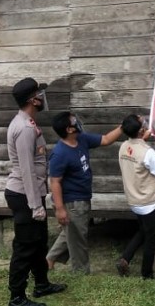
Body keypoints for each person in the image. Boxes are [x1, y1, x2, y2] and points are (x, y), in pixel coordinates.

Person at [4, 78, 66, 306]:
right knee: (25, 246)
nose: (43, 96)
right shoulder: (25, 128)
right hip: (24, 195)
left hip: (31, 194)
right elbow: (28, 170)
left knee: (39, 242)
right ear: (32, 100)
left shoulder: (28, 123)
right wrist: (35, 206)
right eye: (40, 93)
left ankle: (41, 284)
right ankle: (16, 298)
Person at [45, 112, 123, 274]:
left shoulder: (82, 139)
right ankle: (81, 272)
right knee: (79, 238)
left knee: (72, 231)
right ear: (69, 129)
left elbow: (106, 139)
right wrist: (59, 209)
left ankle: (49, 260)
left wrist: (123, 127)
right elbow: (55, 182)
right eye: (74, 121)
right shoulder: (60, 154)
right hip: (72, 201)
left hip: (83, 197)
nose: (78, 121)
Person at [116, 114, 155, 279]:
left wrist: (142, 139)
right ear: (142, 130)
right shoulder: (147, 152)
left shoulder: (123, 147)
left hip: (134, 199)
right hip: (149, 202)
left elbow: (136, 152)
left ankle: (125, 258)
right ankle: (147, 274)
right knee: (152, 238)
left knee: (144, 230)